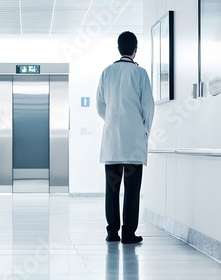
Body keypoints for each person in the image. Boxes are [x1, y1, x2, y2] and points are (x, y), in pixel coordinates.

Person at [96, 31, 155, 244]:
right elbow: (148, 106)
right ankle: (128, 233)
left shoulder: (107, 72)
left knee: (112, 189)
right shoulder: (140, 74)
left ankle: (112, 232)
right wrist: (143, 130)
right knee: (132, 190)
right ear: (135, 49)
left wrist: (113, 121)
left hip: (112, 139)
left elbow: (100, 106)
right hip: (133, 142)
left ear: (119, 48)